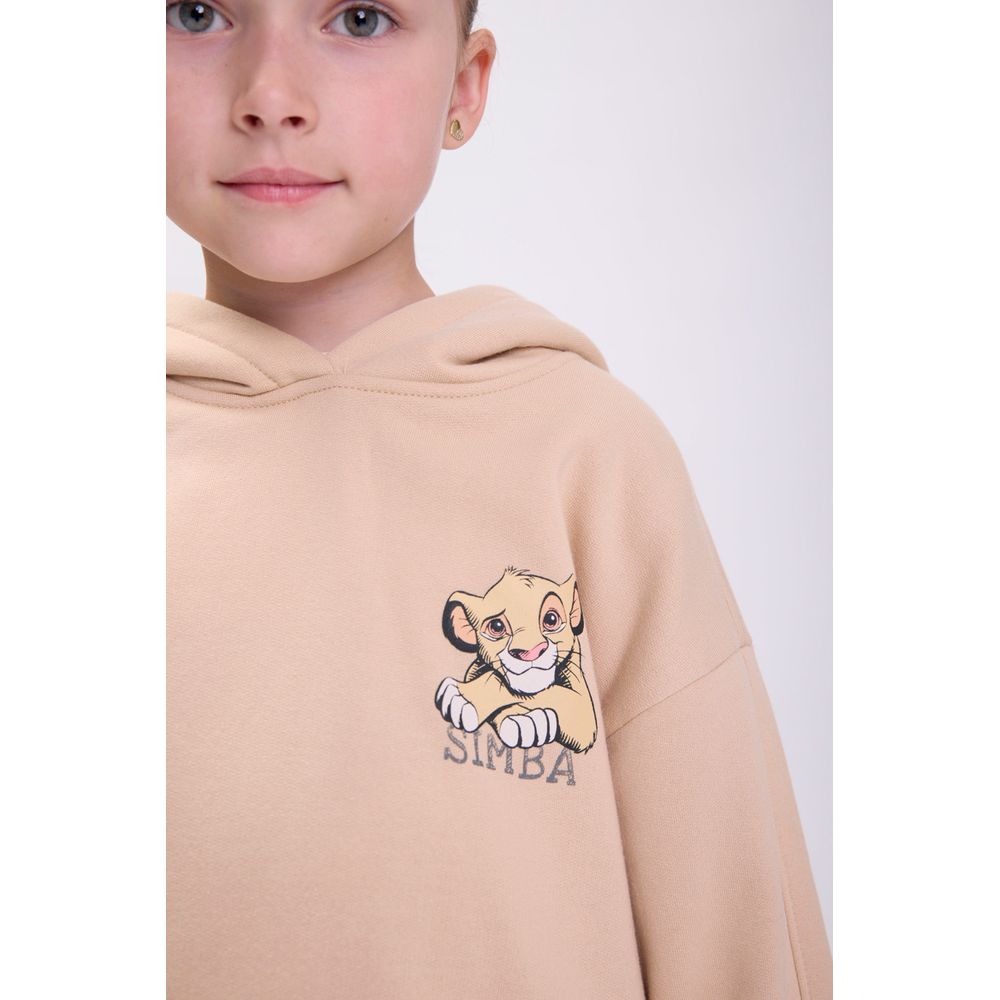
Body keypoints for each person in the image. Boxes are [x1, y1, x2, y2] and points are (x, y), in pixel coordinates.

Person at [166, 2, 832, 998]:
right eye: (197, 13)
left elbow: (733, 914)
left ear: (465, 88)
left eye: (358, 18)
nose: (269, 96)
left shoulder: (590, 457)